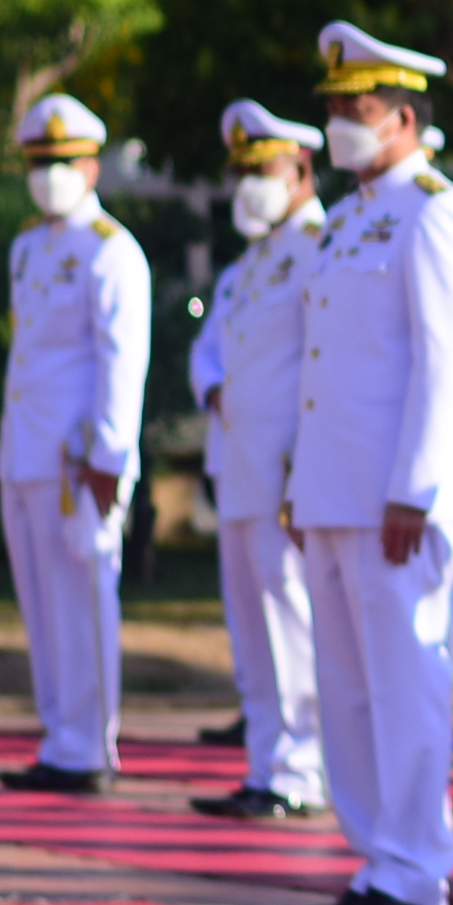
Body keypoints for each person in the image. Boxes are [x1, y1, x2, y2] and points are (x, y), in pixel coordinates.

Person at [278, 25, 453, 905]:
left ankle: (415, 874)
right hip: (335, 493)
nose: (337, 124)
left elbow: (450, 362)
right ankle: (375, 862)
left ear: (404, 117)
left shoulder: (435, 212)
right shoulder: (350, 217)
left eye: (354, 109)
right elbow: (322, 366)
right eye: (331, 108)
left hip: (395, 500)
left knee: (406, 683)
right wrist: (301, 477)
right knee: (349, 687)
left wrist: (414, 487)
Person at [0, 96, 151, 794]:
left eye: (62, 162)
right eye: (39, 162)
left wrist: (108, 461)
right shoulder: (28, 247)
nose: (50, 174)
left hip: (78, 462)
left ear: (91, 165)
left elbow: (123, 361)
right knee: (41, 603)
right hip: (26, 451)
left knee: (83, 601)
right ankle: (60, 736)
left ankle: (90, 744)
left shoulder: (111, 251)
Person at [191, 101, 330, 823]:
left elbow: (322, 363)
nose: (248, 182)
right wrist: (211, 382)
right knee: (250, 625)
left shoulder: (318, 246)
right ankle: (264, 762)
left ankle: (299, 770)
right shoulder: (251, 262)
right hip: (237, 465)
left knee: (290, 620)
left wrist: (303, 467)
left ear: (302, 169)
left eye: (262, 168)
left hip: (284, 471)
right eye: (240, 170)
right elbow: (208, 346)